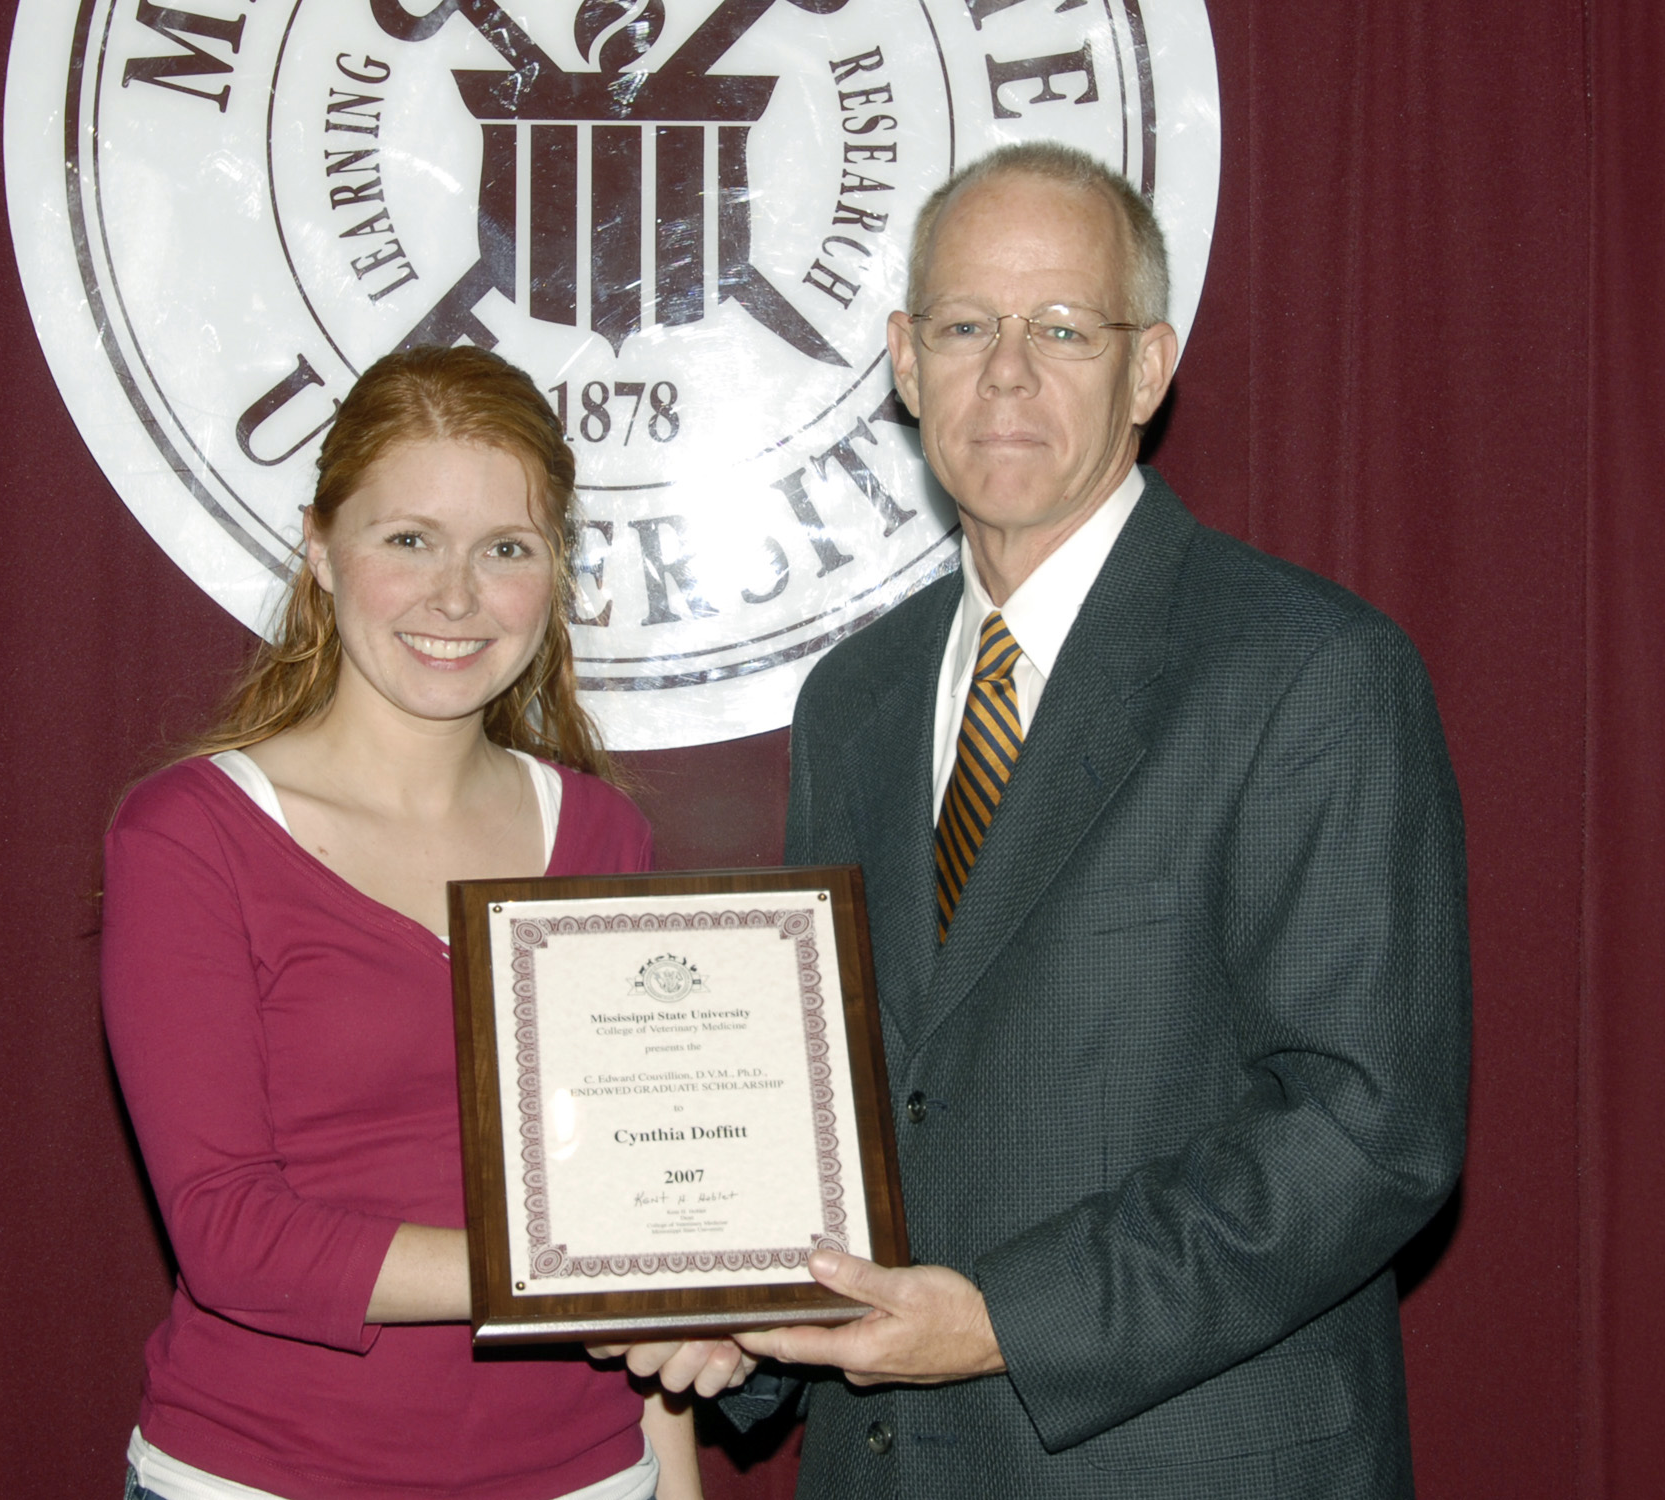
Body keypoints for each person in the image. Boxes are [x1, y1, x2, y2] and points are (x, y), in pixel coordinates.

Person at [617, 143, 1471, 1496]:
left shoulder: (1309, 672)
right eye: (965, 326)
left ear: (1147, 368)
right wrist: (750, 1299)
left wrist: (1000, 1321)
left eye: (1062, 328)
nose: (1005, 372)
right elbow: (853, 1094)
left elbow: (1368, 1132)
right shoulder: (859, 697)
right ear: (905, 360)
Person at [101, 346, 701, 1500]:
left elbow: (635, 1197)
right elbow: (231, 1238)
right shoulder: (187, 836)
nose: (457, 597)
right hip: (265, 1477)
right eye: (409, 539)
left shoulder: (600, 836)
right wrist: (577, 1271)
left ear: (556, 573)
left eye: (506, 550)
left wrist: (673, 1475)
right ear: (322, 551)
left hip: (590, 1477)